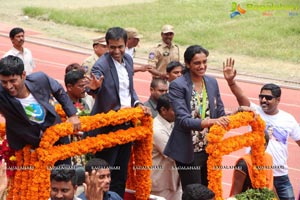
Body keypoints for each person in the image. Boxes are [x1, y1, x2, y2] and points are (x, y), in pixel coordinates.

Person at [86, 27, 151, 198]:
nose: (116, 51)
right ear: (106, 46)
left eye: (120, 47)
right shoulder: (101, 65)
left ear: (126, 44)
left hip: (126, 124)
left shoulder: (128, 60)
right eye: (112, 47)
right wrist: (93, 89)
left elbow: (129, 90)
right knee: (104, 175)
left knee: (120, 173)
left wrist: (137, 104)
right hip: (107, 127)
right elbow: (93, 86)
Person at [223, 58, 300, 200]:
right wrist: (231, 82)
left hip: (280, 175)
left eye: (268, 98)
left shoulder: (288, 119)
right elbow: (241, 96)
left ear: (278, 100)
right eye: (261, 97)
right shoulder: (254, 112)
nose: (263, 100)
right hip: (257, 173)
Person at [164, 45, 229, 191]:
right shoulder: (178, 85)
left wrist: (238, 111)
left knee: (207, 191)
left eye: (204, 62)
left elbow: (220, 112)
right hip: (188, 150)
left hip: (208, 148)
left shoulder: (212, 82)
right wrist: (209, 122)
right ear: (187, 64)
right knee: (193, 192)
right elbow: (182, 120)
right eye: (197, 63)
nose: (202, 66)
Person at [0, 56, 81, 164]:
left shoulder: (40, 79)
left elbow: (58, 90)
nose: (9, 86)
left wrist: (72, 115)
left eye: (12, 81)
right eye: (4, 82)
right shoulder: (1, 94)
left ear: (23, 75)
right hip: (30, 150)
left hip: (58, 140)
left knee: (64, 176)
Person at [151, 93, 182, 200]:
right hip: (160, 186)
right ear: (163, 110)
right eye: (175, 110)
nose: (179, 112)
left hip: (174, 182)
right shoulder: (156, 129)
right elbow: (173, 154)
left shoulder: (172, 122)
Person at [229, 131, 274, 196]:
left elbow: (271, 184)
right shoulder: (243, 164)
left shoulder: (269, 158)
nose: (261, 147)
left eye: (264, 144)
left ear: (267, 145)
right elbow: (235, 193)